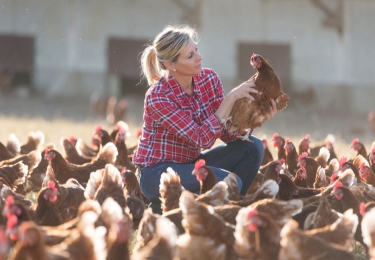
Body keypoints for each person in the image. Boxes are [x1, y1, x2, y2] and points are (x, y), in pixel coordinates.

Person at [133, 24, 277, 214]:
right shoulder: (159, 96)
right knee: (229, 182)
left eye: (196, 50)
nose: (199, 57)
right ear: (170, 65)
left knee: (253, 147)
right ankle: (222, 211)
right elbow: (201, 138)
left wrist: (252, 118)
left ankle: (222, 212)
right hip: (156, 173)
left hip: (191, 163)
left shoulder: (209, 79)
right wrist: (230, 99)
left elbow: (227, 134)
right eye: (190, 55)